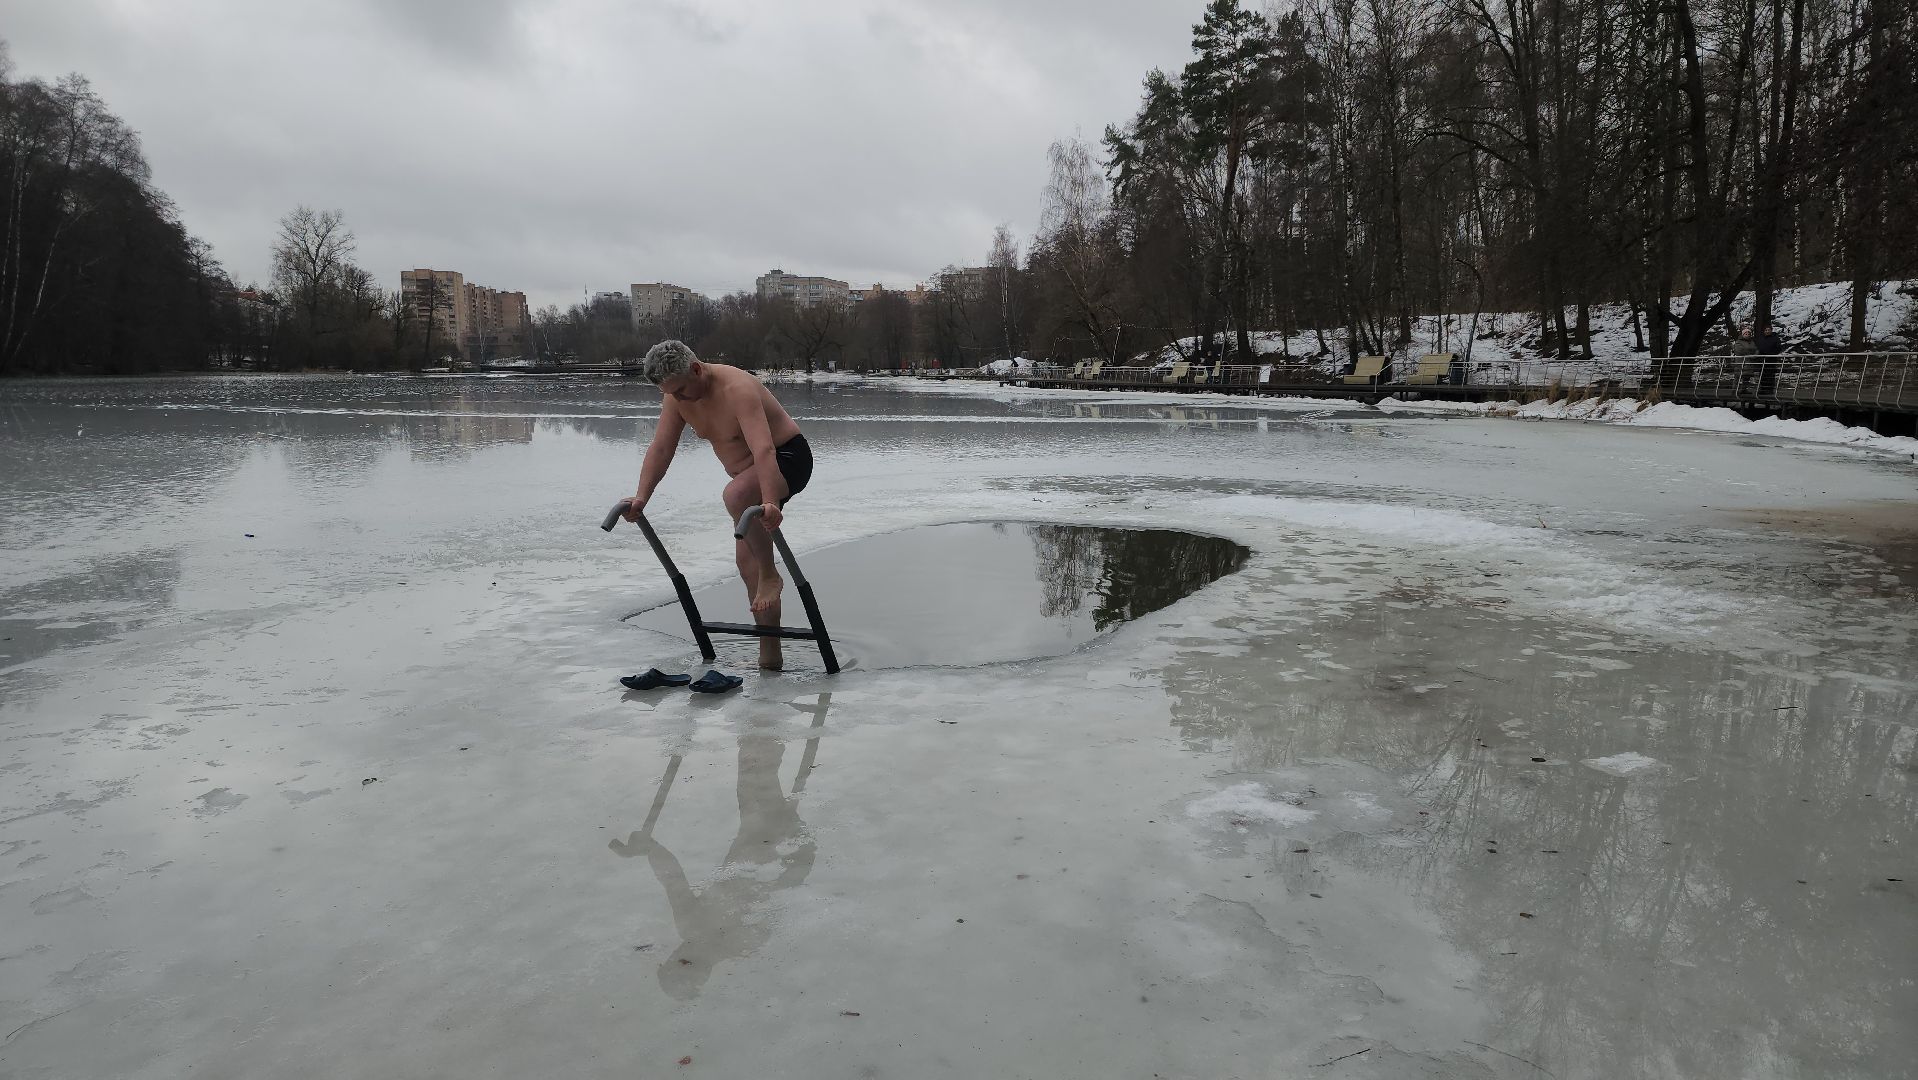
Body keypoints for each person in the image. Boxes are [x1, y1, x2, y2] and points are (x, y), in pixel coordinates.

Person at [623, 340, 813, 670]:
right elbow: (661, 449)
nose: (678, 399)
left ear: (697, 369)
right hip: (749, 474)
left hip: (787, 459)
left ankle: (771, 574)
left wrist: (770, 502)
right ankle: (771, 656)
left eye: (681, 390)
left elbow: (764, 449)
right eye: (671, 394)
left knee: (735, 495)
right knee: (745, 563)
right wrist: (641, 497)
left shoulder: (737, 388)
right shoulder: (675, 397)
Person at [1755, 323, 1783, 396]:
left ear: (1771, 330)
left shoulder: (1775, 337)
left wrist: (1772, 354)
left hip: (1771, 359)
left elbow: (1778, 348)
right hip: (1762, 359)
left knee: (1770, 375)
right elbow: (1759, 347)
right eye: (1766, 330)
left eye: (1768, 330)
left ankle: (1770, 389)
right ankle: (1763, 389)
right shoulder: (1761, 338)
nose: (1767, 331)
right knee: (1762, 375)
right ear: (1764, 331)